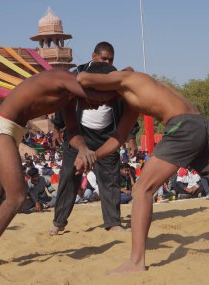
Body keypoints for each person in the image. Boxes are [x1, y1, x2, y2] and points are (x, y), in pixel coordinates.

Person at [75, 62, 209, 273]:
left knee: (142, 189)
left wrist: (78, 85)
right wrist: (91, 156)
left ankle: (136, 262)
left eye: (93, 99)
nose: (94, 105)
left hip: (183, 127)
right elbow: (118, 139)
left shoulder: (124, 79)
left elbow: (82, 78)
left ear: (103, 86)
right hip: (203, 126)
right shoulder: (131, 99)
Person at [0, 69, 114, 272]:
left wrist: (82, 149)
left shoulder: (68, 98)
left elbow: (73, 130)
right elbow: (95, 95)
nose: (95, 106)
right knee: (17, 196)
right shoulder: (66, 78)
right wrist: (121, 84)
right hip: (1, 125)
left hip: (8, 129)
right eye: (94, 105)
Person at [49, 41, 140, 235]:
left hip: (107, 135)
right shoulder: (77, 75)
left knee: (110, 179)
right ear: (93, 57)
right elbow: (64, 101)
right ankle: (58, 222)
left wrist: (131, 136)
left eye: (111, 59)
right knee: (69, 177)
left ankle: (113, 222)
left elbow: (127, 106)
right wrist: (57, 126)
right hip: (78, 134)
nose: (108, 62)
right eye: (104, 58)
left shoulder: (116, 77)